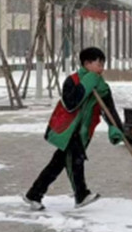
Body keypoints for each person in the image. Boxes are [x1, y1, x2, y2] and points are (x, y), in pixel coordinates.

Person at [23, 47, 125, 211]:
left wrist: (116, 128)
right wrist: (86, 84)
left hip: (83, 132)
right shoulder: (73, 81)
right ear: (87, 63)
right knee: (75, 160)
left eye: (103, 64)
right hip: (67, 131)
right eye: (99, 64)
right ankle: (81, 195)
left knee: (57, 164)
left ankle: (34, 194)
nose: (102, 68)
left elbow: (109, 110)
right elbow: (71, 104)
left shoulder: (101, 86)